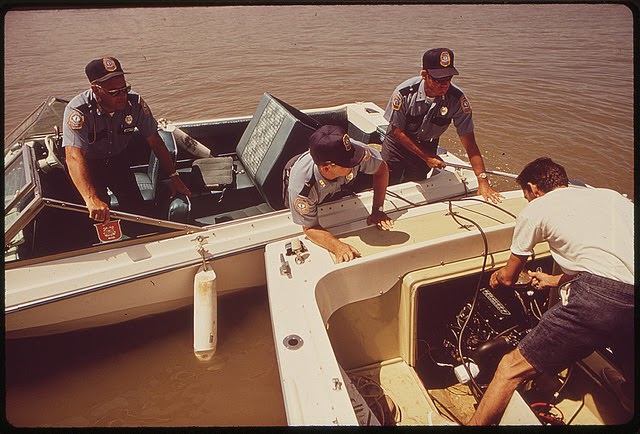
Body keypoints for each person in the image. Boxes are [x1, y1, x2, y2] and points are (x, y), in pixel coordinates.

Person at [467, 157, 634, 425]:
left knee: (510, 368)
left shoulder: (537, 208)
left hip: (596, 301)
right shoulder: (610, 197)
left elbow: (509, 278)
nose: (530, 201)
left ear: (533, 188)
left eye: (527, 196)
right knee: (628, 355)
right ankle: (628, 393)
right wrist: (553, 280)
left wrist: (495, 278)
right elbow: (611, 263)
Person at [63, 56, 191, 223]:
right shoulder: (78, 111)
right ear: (95, 90)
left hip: (119, 161)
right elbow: (73, 157)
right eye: (114, 92)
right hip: (90, 166)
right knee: (98, 215)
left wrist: (174, 175)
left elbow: (155, 140)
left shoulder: (135, 103)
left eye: (124, 89)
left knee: (136, 210)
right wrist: (90, 198)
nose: (122, 96)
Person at [382, 48, 502, 203]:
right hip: (397, 145)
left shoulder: (457, 100)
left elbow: (470, 144)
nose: (444, 84)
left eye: (448, 78)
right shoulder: (404, 93)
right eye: (438, 79)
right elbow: (397, 132)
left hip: (427, 145)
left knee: (416, 186)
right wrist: (426, 156)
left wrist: (483, 181)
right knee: (388, 185)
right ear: (424, 75)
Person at [285, 125, 394, 263]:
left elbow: (381, 168)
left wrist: (378, 209)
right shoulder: (301, 188)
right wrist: (337, 246)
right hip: (303, 180)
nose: (356, 161)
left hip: (338, 183)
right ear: (326, 168)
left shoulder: (354, 151)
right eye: (347, 162)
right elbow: (309, 227)